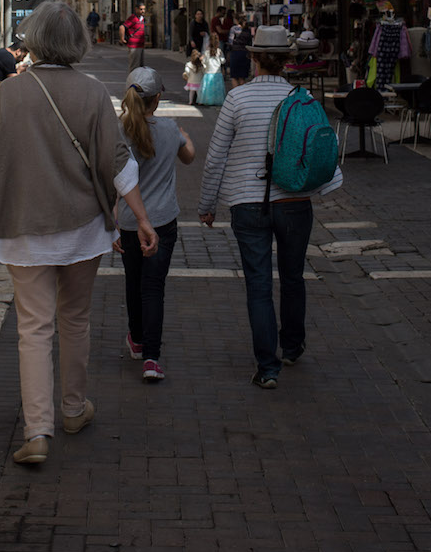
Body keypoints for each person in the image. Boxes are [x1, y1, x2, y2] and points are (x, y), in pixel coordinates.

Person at [0, 1, 158, 466]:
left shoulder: (10, 93)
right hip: (82, 229)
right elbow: (118, 161)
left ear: (32, 40)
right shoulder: (94, 92)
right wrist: (141, 217)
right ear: (76, 41)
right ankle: (73, 410)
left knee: (33, 327)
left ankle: (37, 431)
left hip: (21, 227)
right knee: (75, 318)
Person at [198, 25, 342, 389]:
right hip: (294, 202)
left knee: (258, 283)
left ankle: (268, 366)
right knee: (293, 276)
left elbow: (215, 156)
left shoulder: (238, 99)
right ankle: (292, 346)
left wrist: (207, 203)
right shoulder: (301, 97)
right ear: (286, 61)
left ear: (255, 58)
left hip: (248, 203)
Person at [115, 67, 195, 382]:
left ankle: (136, 338)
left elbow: (113, 180)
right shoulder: (169, 128)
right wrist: (184, 136)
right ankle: (152, 357)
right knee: (153, 287)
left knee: (133, 282)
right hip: (161, 220)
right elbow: (189, 156)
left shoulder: (119, 131)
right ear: (157, 99)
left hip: (129, 222)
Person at [198, 39, 227, 106]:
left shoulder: (207, 52)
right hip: (217, 72)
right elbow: (223, 61)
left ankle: (208, 100)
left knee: (207, 88)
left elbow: (204, 61)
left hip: (208, 72)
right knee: (217, 89)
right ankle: (217, 100)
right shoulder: (219, 51)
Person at [119, 2, 146, 71]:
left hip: (140, 45)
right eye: (141, 9)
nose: (143, 11)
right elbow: (122, 27)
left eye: (144, 9)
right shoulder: (133, 18)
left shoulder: (142, 18)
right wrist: (122, 39)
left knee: (140, 66)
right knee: (134, 66)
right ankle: (132, 80)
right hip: (134, 46)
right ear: (136, 9)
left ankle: (139, 80)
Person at [227, 15, 253, 87]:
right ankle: (242, 95)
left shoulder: (233, 29)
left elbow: (230, 41)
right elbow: (250, 42)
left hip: (235, 53)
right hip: (245, 53)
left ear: (236, 20)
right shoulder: (248, 30)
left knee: (234, 77)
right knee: (242, 77)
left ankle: (235, 96)